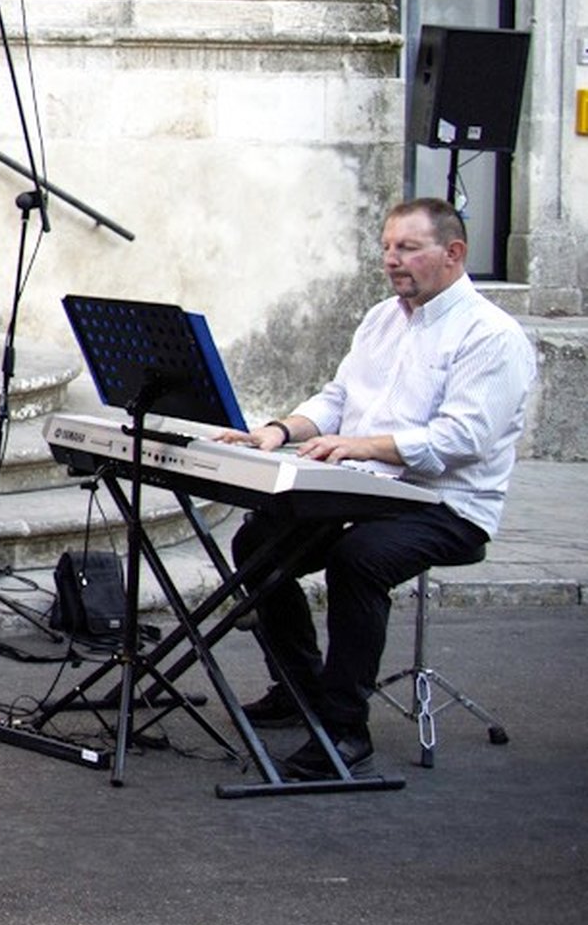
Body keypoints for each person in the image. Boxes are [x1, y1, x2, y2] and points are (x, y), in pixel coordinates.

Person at [219, 197, 537, 780]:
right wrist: (281, 430)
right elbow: (340, 397)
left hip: (449, 503)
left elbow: (460, 439)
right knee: (259, 540)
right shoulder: (381, 317)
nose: (391, 260)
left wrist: (360, 446)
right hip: (367, 489)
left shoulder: (492, 336)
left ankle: (344, 730)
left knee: (357, 558)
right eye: (387, 247)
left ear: (454, 253)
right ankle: (299, 689)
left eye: (408, 248)